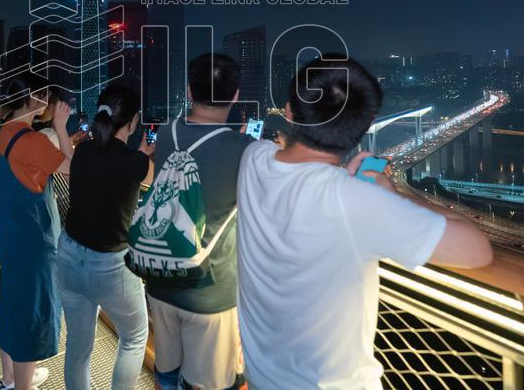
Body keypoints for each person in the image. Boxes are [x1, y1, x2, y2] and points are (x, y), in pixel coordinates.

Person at [236, 56, 494, 389]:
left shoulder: (252, 159)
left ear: (288, 110)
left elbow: (298, 180)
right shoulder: (354, 202)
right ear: (365, 126)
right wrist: (394, 195)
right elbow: (477, 251)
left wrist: (348, 182)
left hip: (261, 380)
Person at [145, 53, 254, 390]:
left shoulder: (165, 132)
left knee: (166, 372)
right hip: (210, 292)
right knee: (209, 383)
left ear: (190, 91)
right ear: (235, 95)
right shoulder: (245, 149)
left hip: (161, 278)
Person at [58, 84, 154, 390]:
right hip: (111, 265)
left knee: (78, 346)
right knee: (134, 337)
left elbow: (91, 170)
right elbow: (158, 179)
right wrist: (143, 156)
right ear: (133, 120)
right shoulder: (135, 163)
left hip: (69, 255)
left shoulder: (83, 150)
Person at [0, 72, 73, 390]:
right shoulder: (31, 139)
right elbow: (72, 166)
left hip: (11, 231)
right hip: (34, 235)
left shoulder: (5, 131)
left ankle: (10, 378)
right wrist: (61, 127)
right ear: (33, 99)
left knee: (13, 301)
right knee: (32, 308)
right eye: (45, 97)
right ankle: (23, 386)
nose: (49, 103)